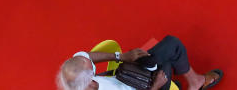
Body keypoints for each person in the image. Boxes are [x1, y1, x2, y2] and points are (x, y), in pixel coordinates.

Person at [57, 37, 223, 90]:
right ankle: (195, 83)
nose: (88, 58)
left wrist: (121, 56)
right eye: (89, 65)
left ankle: (195, 82)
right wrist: (156, 86)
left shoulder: (76, 80)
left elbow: (84, 56)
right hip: (148, 87)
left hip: (130, 77)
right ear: (89, 77)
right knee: (168, 58)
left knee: (170, 45)